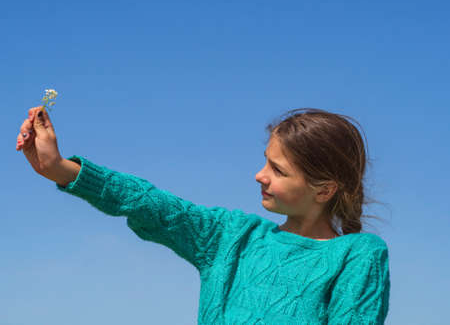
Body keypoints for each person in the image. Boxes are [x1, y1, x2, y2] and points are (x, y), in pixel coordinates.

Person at [16, 107, 390, 324]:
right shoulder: (231, 237)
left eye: (278, 170)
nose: (259, 175)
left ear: (324, 190)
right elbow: (153, 204)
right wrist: (61, 169)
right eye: (265, 161)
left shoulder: (359, 255)